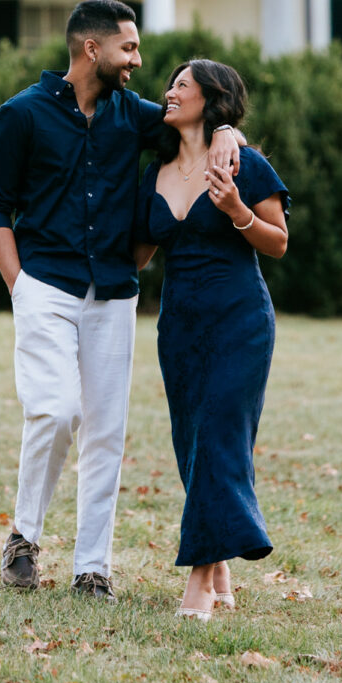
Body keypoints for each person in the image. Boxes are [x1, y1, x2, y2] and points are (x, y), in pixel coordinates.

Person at [0, 0, 241, 602]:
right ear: (92, 49)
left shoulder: (136, 116)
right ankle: (24, 535)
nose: (138, 61)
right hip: (43, 286)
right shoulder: (20, 116)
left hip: (114, 293)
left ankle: (91, 568)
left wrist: (227, 129)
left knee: (106, 432)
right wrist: (18, 284)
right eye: (128, 49)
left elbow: (198, 124)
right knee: (55, 410)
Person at [133, 59, 288, 620]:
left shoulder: (244, 164)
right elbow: (140, 254)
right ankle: (220, 567)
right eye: (170, 85)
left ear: (211, 99)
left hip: (239, 320)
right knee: (192, 444)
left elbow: (278, 243)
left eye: (181, 86)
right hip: (178, 326)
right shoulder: (155, 172)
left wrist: (235, 210)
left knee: (221, 439)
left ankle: (199, 581)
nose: (169, 93)